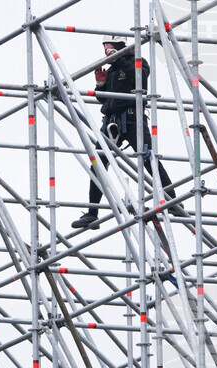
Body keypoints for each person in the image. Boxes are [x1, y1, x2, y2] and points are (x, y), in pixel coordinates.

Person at [73, 35, 181, 230]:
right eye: (105, 49)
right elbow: (104, 99)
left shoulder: (136, 62)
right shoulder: (112, 70)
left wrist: (120, 59)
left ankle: (172, 201)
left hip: (133, 119)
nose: (106, 53)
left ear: (119, 47)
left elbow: (140, 80)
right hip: (111, 121)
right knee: (98, 164)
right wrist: (100, 84)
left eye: (109, 49)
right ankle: (92, 214)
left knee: (149, 159)